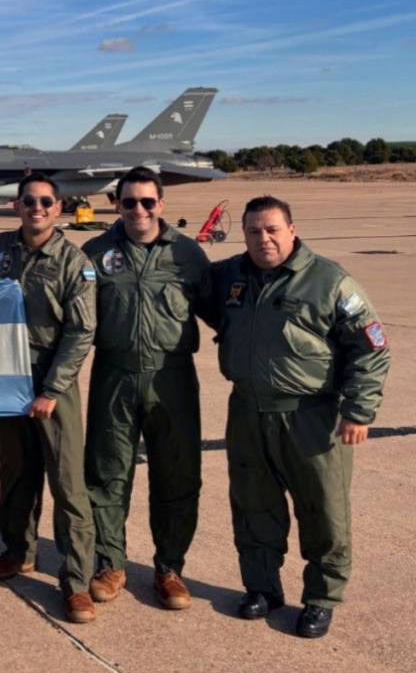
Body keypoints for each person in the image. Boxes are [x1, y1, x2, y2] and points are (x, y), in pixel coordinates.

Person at [205, 196, 389, 638]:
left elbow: (371, 347)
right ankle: (262, 589)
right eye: (253, 231)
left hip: (310, 415)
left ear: (292, 229)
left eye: (271, 229)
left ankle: (320, 598)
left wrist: (359, 410)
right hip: (248, 411)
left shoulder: (328, 281)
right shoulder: (230, 276)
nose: (263, 238)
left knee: (323, 511)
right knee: (254, 506)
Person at [82, 167, 210, 610]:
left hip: (171, 377)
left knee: (176, 474)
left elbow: (224, 313)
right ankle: (109, 563)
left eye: (147, 202)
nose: (139, 210)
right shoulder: (96, 253)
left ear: (162, 204)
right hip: (113, 374)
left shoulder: (188, 255)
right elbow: (75, 319)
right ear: (117, 204)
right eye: (129, 202)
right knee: (107, 473)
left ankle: (169, 568)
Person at [0, 175, 99, 623]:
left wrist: (52, 389)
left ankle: (76, 582)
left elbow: (81, 331)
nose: (37, 207)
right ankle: (18, 551)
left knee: (67, 486)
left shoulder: (73, 261)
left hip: (52, 384)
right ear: (17, 206)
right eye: (29, 201)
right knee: (16, 476)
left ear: (59, 207)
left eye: (46, 201)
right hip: (8, 382)